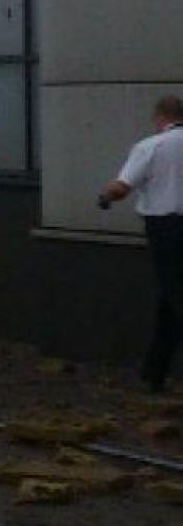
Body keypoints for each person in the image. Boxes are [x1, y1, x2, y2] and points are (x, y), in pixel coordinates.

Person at [97, 95, 183, 393]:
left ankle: (155, 373)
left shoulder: (151, 146)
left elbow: (121, 188)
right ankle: (154, 373)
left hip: (167, 229)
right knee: (169, 300)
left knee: (175, 294)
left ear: (160, 116)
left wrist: (104, 197)